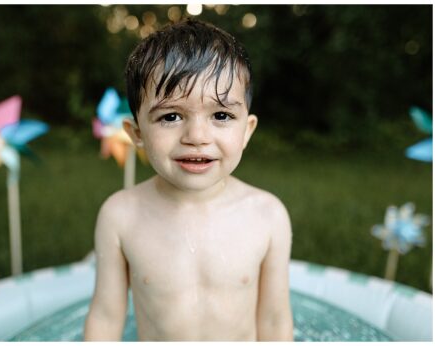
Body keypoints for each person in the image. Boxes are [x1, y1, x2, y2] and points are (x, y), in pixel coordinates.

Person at [83, 19, 293, 341]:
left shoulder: (267, 216)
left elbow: (275, 322)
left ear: (247, 130)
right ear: (136, 133)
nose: (196, 137)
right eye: (171, 116)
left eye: (221, 115)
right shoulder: (121, 216)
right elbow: (106, 317)